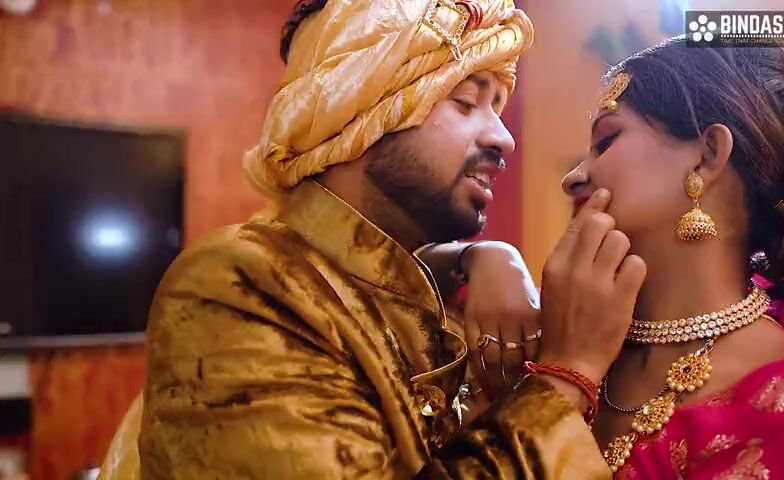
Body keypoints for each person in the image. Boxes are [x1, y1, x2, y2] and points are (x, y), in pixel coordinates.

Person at [99, 1, 649, 479]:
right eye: (464, 102)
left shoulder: (436, 295)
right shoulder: (238, 285)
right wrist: (566, 374)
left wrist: (476, 258)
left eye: (498, 108)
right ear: (356, 112)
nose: (503, 137)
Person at [449, 37, 784, 478]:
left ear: (707, 156)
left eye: (606, 141)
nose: (573, 177)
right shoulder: (556, 320)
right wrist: (482, 256)